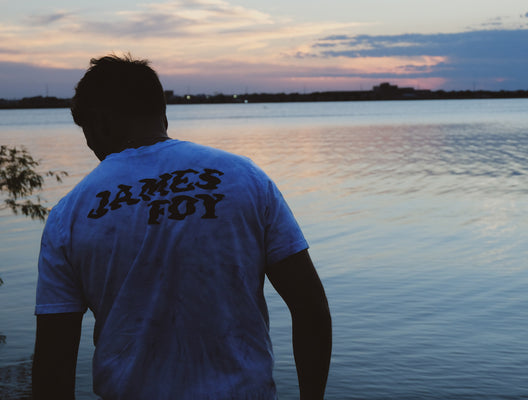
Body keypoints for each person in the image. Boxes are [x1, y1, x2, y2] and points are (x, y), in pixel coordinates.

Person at [33, 54, 331, 400]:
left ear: (100, 124)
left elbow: (53, 368)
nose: (89, 145)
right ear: (162, 113)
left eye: (86, 132)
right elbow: (310, 308)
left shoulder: (68, 215)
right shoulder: (244, 179)